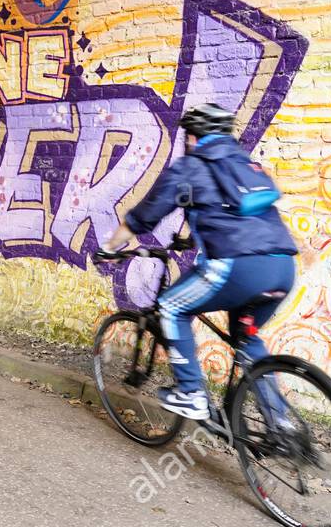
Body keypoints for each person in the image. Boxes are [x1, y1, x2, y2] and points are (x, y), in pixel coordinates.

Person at [103, 103, 298, 422]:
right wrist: (193, 239)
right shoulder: (248, 167)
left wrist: (111, 246)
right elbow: (237, 221)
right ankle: (281, 424)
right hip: (282, 268)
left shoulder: (190, 167)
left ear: (193, 137)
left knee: (170, 306)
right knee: (245, 337)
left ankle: (191, 393)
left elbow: (144, 216)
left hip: (237, 267)